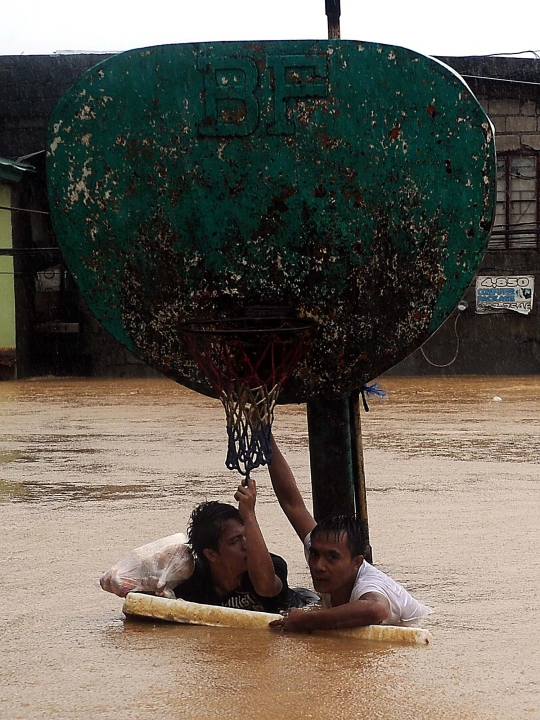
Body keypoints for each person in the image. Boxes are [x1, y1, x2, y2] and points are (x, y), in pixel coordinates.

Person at [266, 436, 432, 632]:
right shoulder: (322, 546)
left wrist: (305, 620)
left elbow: (376, 609)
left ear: (357, 562)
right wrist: (265, 436)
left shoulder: (368, 584)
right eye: (314, 554)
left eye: (332, 557)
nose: (318, 566)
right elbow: (291, 502)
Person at [173, 477, 293, 613]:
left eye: (246, 535)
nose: (246, 545)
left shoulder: (273, 566)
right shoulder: (192, 581)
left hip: (305, 600)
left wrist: (249, 516)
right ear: (211, 554)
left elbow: (266, 587)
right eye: (235, 541)